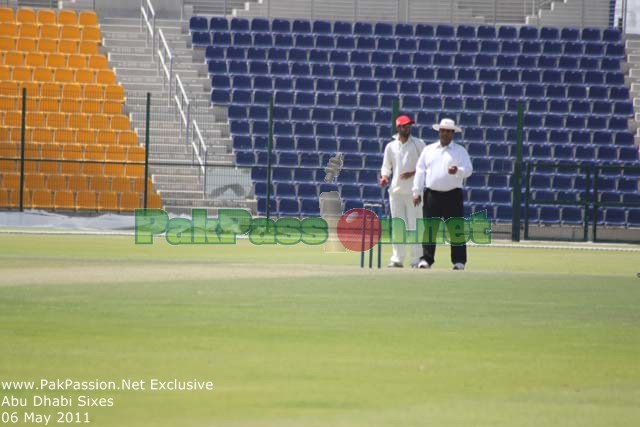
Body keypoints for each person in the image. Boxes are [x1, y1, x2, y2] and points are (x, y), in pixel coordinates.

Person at [412, 118, 473, 270]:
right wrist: (416, 191)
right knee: (430, 229)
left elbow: (469, 170)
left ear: (453, 133)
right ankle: (426, 259)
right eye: (443, 130)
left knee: (456, 229)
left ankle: (459, 261)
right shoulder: (429, 150)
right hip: (432, 194)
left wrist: (458, 171)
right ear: (439, 132)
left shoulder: (460, 151)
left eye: (448, 131)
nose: (445, 133)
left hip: (452, 195)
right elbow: (420, 171)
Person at [379, 114, 426, 268]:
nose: (407, 128)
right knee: (398, 226)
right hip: (396, 192)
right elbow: (386, 166)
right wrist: (385, 177)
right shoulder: (391, 146)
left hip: (414, 193)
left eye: (409, 125)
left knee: (415, 226)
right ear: (398, 127)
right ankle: (397, 259)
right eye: (404, 126)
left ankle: (416, 259)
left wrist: (412, 174)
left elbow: (426, 166)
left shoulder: (419, 144)